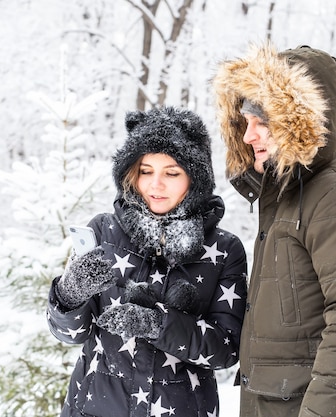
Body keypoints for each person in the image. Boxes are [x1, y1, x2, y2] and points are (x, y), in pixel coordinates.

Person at [212, 43, 336, 417]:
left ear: (299, 122)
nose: (249, 137)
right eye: (246, 123)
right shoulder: (282, 199)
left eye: (262, 122)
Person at [46, 106, 248, 417]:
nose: (156, 184)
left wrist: (157, 324)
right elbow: (69, 335)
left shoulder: (224, 249)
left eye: (171, 173)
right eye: (145, 171)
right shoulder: (104, 231)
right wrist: (69, 295)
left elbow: (226, 350)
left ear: (195, 178)